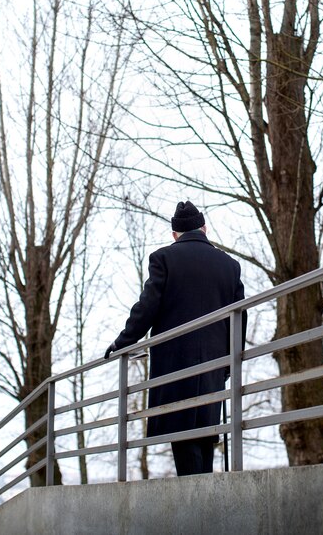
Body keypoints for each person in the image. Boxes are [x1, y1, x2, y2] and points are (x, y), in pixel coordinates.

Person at [104, 201, 247, 476]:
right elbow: (240, 317)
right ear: (204, 228)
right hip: (214, 365)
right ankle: (205, 504)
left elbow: (147, 307)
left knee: (182, 435)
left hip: (175, 364)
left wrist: (123, 343)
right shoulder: (230, 265)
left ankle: (198, 510)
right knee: (207, 434)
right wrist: (231, 362)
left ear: (175, 234)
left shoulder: (164, 258)